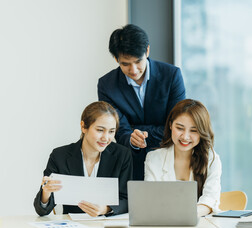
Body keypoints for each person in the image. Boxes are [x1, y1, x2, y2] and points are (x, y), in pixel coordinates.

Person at [98, 24, 186, 180]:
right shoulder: (107, 85)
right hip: (132, 164)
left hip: (170, 160)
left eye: (138, 61)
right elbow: (118, 129)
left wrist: (137, 131)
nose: (133, 70)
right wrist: (131, 138)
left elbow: (177, 125)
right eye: (125, 64)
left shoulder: (172, 76)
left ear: (147, 51)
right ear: (116, 59)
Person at [33, 101, 133, 217]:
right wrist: (46, 192)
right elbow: (42, 210)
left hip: (108, 226)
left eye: (111, 131)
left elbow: (127, 200)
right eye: (100, 130)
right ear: (83, 126)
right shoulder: (60, 156)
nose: (106, 138)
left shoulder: (122, 155)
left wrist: (105, 209)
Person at [144, 99, 222, 216]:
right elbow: (150, 200)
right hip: (163, 224)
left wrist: (185, 216)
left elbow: (209, 200)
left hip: (199, 225)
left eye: (194, 130)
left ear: (202, 132)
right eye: (180, 128)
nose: (185, 137)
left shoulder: (211, 159)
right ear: (170, 125)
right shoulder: (153, 158)